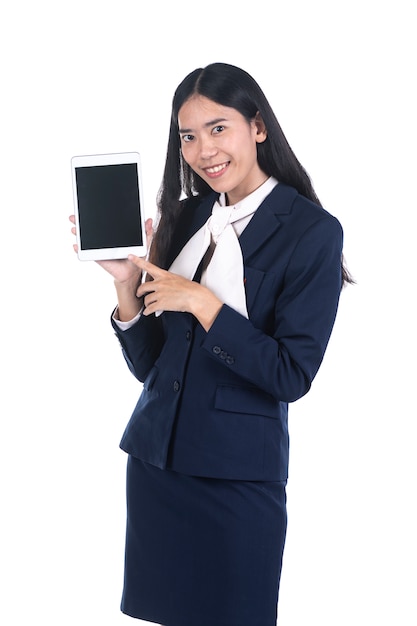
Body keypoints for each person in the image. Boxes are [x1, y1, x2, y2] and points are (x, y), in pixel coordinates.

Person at [70, 62, 352, 626]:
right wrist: (127, 284)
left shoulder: (312, 232)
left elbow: (290, 375)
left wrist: (201, 302)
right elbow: (151, 366)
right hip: (157, 465)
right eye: (189, 136)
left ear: (258, 127)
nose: (203, 150)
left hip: (236, 477)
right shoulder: (186, 216)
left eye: (218, 128)